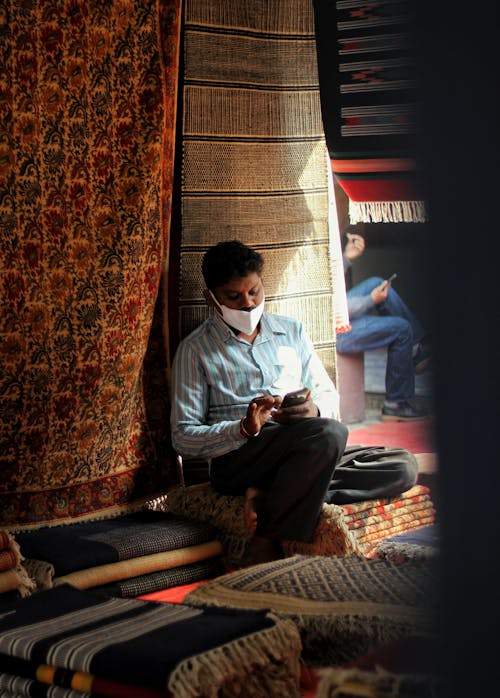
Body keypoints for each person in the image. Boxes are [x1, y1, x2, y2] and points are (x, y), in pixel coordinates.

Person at [170, 240, 418, 566]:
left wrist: (312, 410)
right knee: (328, 435)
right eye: (233, 297)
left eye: (254, 292)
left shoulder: (291, 331)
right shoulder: (195, 350)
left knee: (402, 467)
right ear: (211, 298)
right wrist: (242, 428)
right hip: (241, 459)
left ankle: (270, 495)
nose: (247, 304)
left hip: (303, 450)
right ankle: (265, 540)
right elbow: (183, 437)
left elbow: (328, 396)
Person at [338, 228, 432, 421]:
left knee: (376, 282)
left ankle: (415, 347)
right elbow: (334, 308)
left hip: (338, 313)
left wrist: (347, 257)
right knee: (401, 327)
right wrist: (371, 300)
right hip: (334, 328)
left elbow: (334, 292)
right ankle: (395, 404)